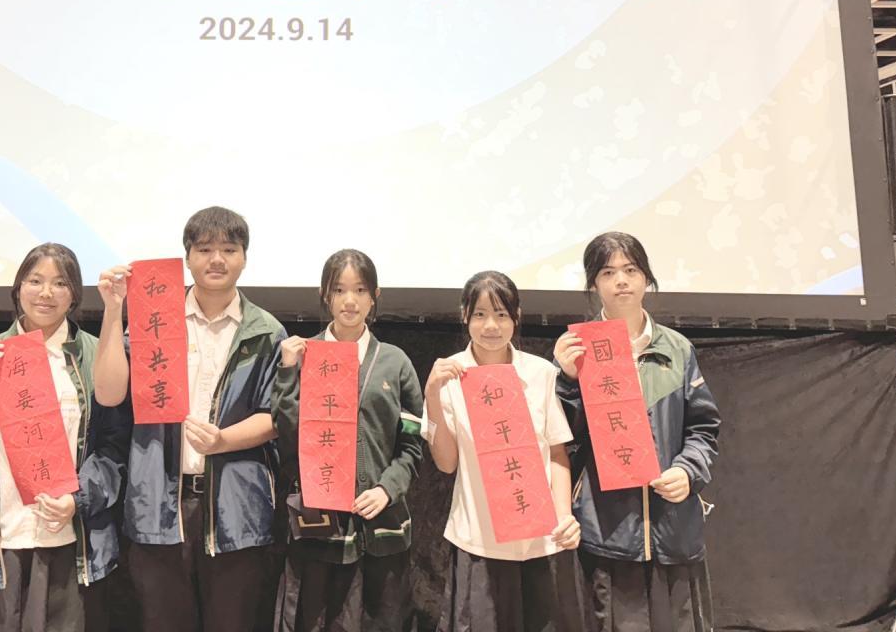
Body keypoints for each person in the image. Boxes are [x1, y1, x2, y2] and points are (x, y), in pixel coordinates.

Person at [94, 206, 286, 632]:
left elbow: (276, 416)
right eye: (204, 249)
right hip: (158, 505)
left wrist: (223, 441)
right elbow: (108, 394)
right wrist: (112, 310)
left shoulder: (266, 331)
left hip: (236, 511)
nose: (216, 259)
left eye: (229, 249)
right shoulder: (154, 319)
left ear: (244, 257)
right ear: (187, 256)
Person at [0, 242, 129, 632]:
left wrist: (79, 498)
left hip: (70, 538)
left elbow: (113, 446)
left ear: (74, 295)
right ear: (18, 288)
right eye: (35, 281)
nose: (46, 293)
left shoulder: (95, 354)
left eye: (60, 283)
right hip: (0, 535)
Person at [552, 232, 720, 632]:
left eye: (630, 269)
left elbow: (704, 428)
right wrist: (568, 380)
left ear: (647, 277)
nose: (621, 281)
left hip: (673, 528)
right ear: (594, 284)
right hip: (608, 530)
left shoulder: (677, 349)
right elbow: (562, 439)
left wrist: (687, 471)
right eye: (608, 272)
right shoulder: (576, 350)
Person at [272, 248, 423, 632]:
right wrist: (287, 372)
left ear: (374, 297)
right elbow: (287, 436)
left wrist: (387, 489)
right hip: (321, 525)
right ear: (325, 295)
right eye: (339, 290)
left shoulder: (395, 362)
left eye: (360, 290)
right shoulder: (303, 356)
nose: (349, 300)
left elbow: (412, 444)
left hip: (381, 524)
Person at [422, 271, 583, 632]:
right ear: (465, 315)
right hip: (479, 542)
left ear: (516, 317)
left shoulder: (540, 373)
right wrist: (432, 395)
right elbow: (446, 463)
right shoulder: (449, 377)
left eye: (501, 314)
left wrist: (563, 515)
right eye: (480, 314)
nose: (491, 326)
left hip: (541, 542)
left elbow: (557, 453)